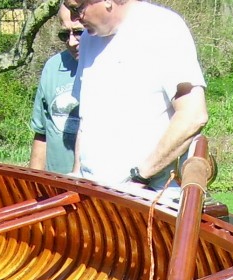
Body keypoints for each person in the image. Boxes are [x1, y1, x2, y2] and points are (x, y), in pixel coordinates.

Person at [64, 0, 207, 193]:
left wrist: (141, 176)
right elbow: (87, 117)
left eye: (77, 8)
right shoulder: (90, 40)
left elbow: (192, 115)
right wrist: (77, 175)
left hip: (149, 197)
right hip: (94, 196)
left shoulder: (161, 27)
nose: (75, 19)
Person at [28, 6, 82, 173]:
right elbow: (42, 132)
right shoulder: (53, 67)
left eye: (79, 32)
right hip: (56, 183)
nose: (71, 42)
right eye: (65, 35)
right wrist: (33, 183)